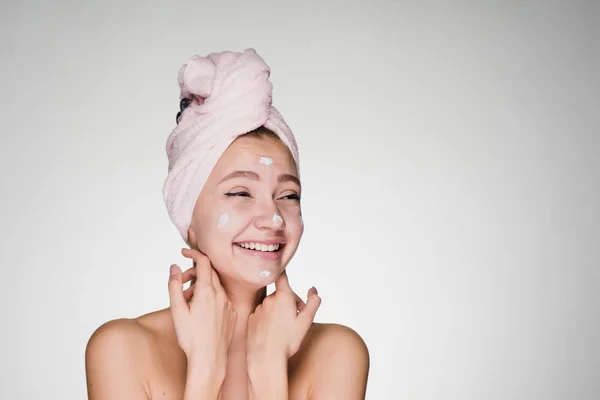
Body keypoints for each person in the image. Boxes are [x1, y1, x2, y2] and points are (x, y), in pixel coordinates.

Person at [85, 48, 370, 399]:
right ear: (187, 213)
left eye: (288, 195)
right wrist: (206, 370)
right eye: (240, 193)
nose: (274, 218)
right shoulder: (122, 349)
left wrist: (269, 374)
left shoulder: (337, 353)